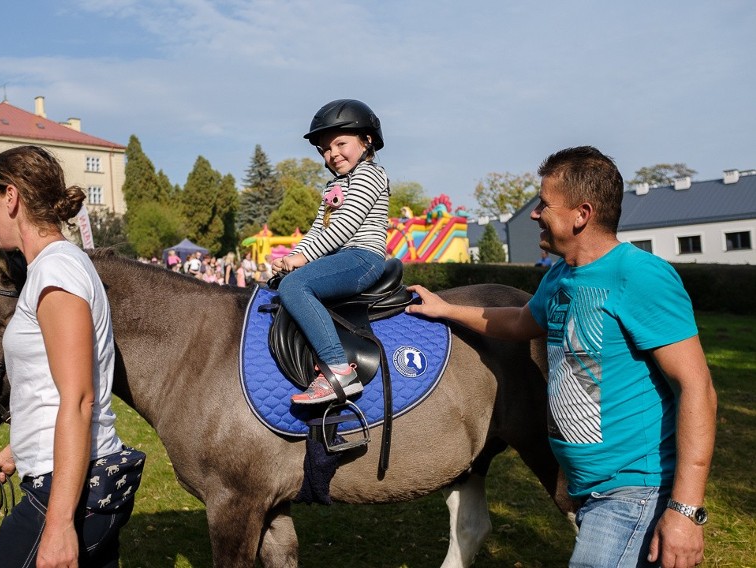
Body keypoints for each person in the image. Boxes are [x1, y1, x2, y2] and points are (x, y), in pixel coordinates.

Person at [407, 146, 717, 568]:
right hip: (589, 490)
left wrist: (684, 511)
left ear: (581, 214)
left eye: (544, 204)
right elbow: (519, 322)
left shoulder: (641, 276)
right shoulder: (563, 273)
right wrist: (444, 309)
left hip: (633, 494)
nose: (534, 214)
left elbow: (696, 387)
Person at [0, 145, 142, 567]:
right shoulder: (57, 267)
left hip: (67, 491)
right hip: (68, 477)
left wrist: (59, 523)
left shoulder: (56, 272)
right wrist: (16, 453)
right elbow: (53, 388)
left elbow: (80, 398)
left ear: (11, 197)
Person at [272, 99, 389, 405]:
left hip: (362, 257)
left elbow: (346, 226)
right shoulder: (333, 185)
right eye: (325, 148)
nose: (333, 153)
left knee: (296, 286)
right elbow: (318, 230)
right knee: (287, 280)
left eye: (341, 143)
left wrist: (303, 261)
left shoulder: (370, 175)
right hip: (339, 258)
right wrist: (291, 257)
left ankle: (338, 370)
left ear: (367, 140)